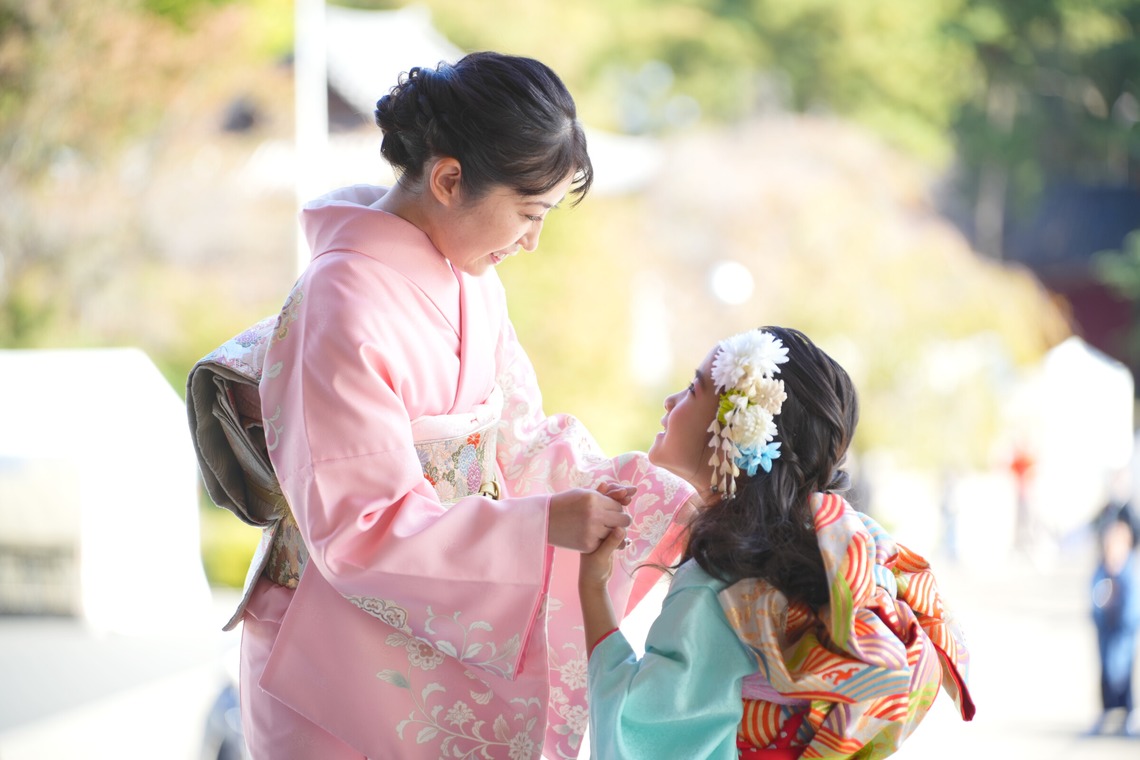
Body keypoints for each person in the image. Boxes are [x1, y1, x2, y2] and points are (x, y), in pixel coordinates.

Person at [186, 52, 694, 759]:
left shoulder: (474, 280)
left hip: (424, 644)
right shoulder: (342, 298)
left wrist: (639, 498)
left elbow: (518, 440)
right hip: (328, 653)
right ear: (449, 179)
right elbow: (359, 525)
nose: (532, 240)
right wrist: (542, 525)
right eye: (528, 213)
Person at [579, 327, 975, 759]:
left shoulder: (720, 582)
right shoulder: (814, 553)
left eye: (694, 389)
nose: (670, 401)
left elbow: (641, 736)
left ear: (733, 434)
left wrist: (592, 588)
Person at [1088, 492, 1140, 737]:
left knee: (1126, 670)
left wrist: (1123, 619)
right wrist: (1100, 613)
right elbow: (1095, 599)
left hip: (1123, 632)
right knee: (1106, 674)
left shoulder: (1129, 573)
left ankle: (1130, 711)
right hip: (1106, 632)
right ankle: (1108, 711)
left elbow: (1132, 608)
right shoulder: (1102, 572)